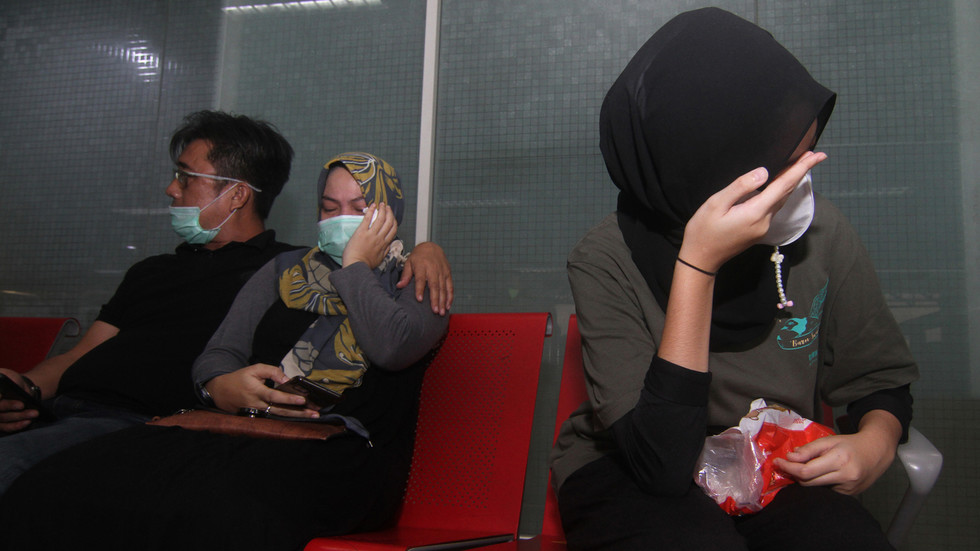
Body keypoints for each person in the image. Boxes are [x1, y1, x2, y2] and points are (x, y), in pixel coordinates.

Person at [550, 8, 918, 550]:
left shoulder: (822, 232)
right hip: (630, 462)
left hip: (773, 459)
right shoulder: (604, 259)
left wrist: (876, 444)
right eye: (783, 165)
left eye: (805, 157)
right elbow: (660, 463)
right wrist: (699, 265)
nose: (802, 180)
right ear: (708, 168)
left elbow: (878, 376)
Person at [0, 152, 450, 550]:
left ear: (390, 211)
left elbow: (391, 348)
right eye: (329, 208)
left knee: (218, 511)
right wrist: (221, 384)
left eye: (360, 208)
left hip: (343, 450)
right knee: (65, 482)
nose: (341, 220)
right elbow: (219, 352)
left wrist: (355, 266)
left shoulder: (417, 278)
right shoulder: (284, 270)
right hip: (242, 431)